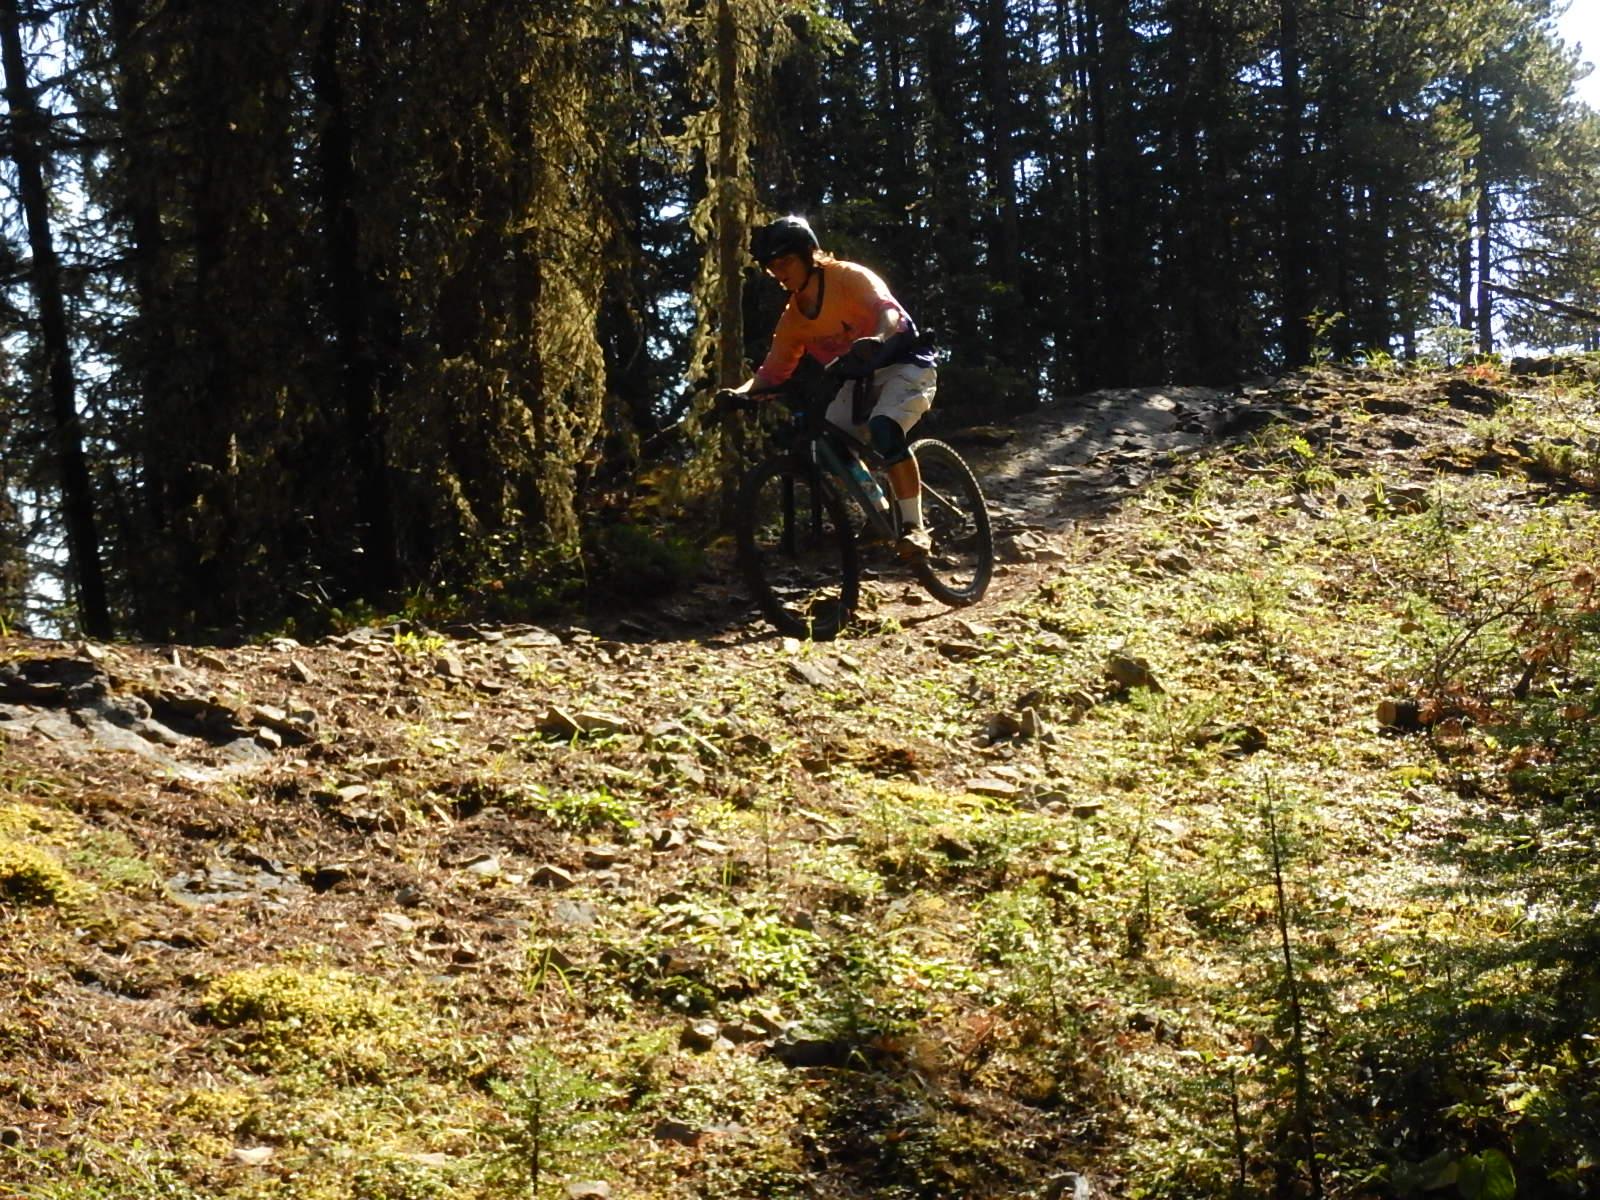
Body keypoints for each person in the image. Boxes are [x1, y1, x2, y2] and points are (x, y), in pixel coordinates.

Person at [719, 215, 938, 559]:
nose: (779, 272)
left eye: (785, 261)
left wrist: (877, 339)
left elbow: (889, 313)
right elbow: (772, 372)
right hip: (858, 378)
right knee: (831, 444)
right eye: (772, 266)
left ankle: (915, 528)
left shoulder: (848, 278)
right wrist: (740, 393)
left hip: (906, 362)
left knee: (885, 428)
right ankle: (880, 511)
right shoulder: (793, 318)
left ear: (809, 253)